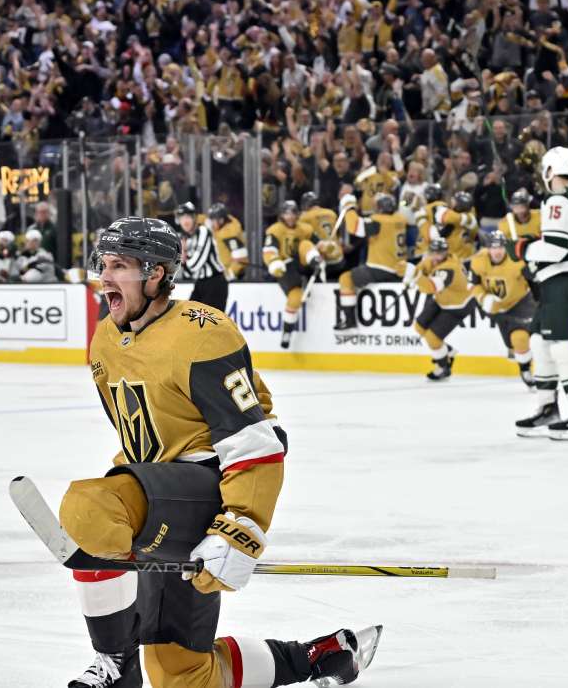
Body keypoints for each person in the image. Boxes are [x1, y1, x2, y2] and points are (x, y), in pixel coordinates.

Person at [62, 216, 381, 688]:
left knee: (88, 509)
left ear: (156, 274)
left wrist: (240, 527)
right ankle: (321, 656)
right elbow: (140, 436)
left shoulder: (202, 333)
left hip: (207, 488)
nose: (104, 278)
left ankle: (115, 661)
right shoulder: (107, 337)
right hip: (157, 489)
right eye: (102, 264)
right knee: (182, 676)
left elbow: (255, 440)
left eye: (120, 266)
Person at [513, 146, 568, 441]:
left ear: (550, 171)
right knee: (538, 341)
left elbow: (556, 248)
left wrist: (524, 249)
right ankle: (548, 408)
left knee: (561, 345)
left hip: (564, 277)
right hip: (560, 277)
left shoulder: (558, 200)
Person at [333, 193, 408, 335]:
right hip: (400, 270)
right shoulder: (401, 219)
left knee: (345, 278)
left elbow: (354, 227)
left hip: (381, 269)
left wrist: (349, 208)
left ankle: (349, 321)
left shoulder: (379, 221)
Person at [469, 232, 535, 386]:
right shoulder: (478, 261)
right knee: (510, 345)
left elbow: (534, 280)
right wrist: (482, 297)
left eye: (500, 247)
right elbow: (473, 285)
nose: (497, 252)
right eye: (493, 248)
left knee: (519, 338)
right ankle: (523, 358)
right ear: (488, 249)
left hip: (520, 303)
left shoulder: (517, 261)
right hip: (496, 307)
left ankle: (525, 369)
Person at [408, 237, 473, 381]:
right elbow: (422, 267)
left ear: (446, 253)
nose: (436, 256)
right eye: (433, 252)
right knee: (419, 327)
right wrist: (414, 273)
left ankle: (444, 368)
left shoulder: (450, 268)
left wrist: (414, 276)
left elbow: (430, 287)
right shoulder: (433, 260)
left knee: (432, 338)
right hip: (442, 299)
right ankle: (447, 351)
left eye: (440, 253)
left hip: (458, 306)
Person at [262, 201, 321, 349]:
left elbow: (317, 244)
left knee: (305, 244)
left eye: (293, 213)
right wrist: (274, 263)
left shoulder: (305, 229)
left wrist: (326, 248)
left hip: (302, 263)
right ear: (281, 215)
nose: (291, 216)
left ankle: (313, 260)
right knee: (295, 298)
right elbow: (269, 251)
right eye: (287, 213)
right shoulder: (275, 230)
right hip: (285, 267)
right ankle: (287, 331)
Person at [176, 202, 228, 311]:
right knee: (189, 318)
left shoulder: (204, 232)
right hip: (200, 283)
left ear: (194, 218)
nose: (185, 221)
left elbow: (195, 265)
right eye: (182, 218)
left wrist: (183, 255)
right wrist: (184, 257)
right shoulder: (187, 239)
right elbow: (187, 273)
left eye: (188, 217)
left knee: (211, 325)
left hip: (215, 283)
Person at [206, 203, 247, 281]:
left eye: (213, 220)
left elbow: (240, 257)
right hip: (223, 272)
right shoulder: (222, 227)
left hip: (233, 276)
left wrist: (230, 273)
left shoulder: (229, 233)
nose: (211, 223)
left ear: (221, 220)